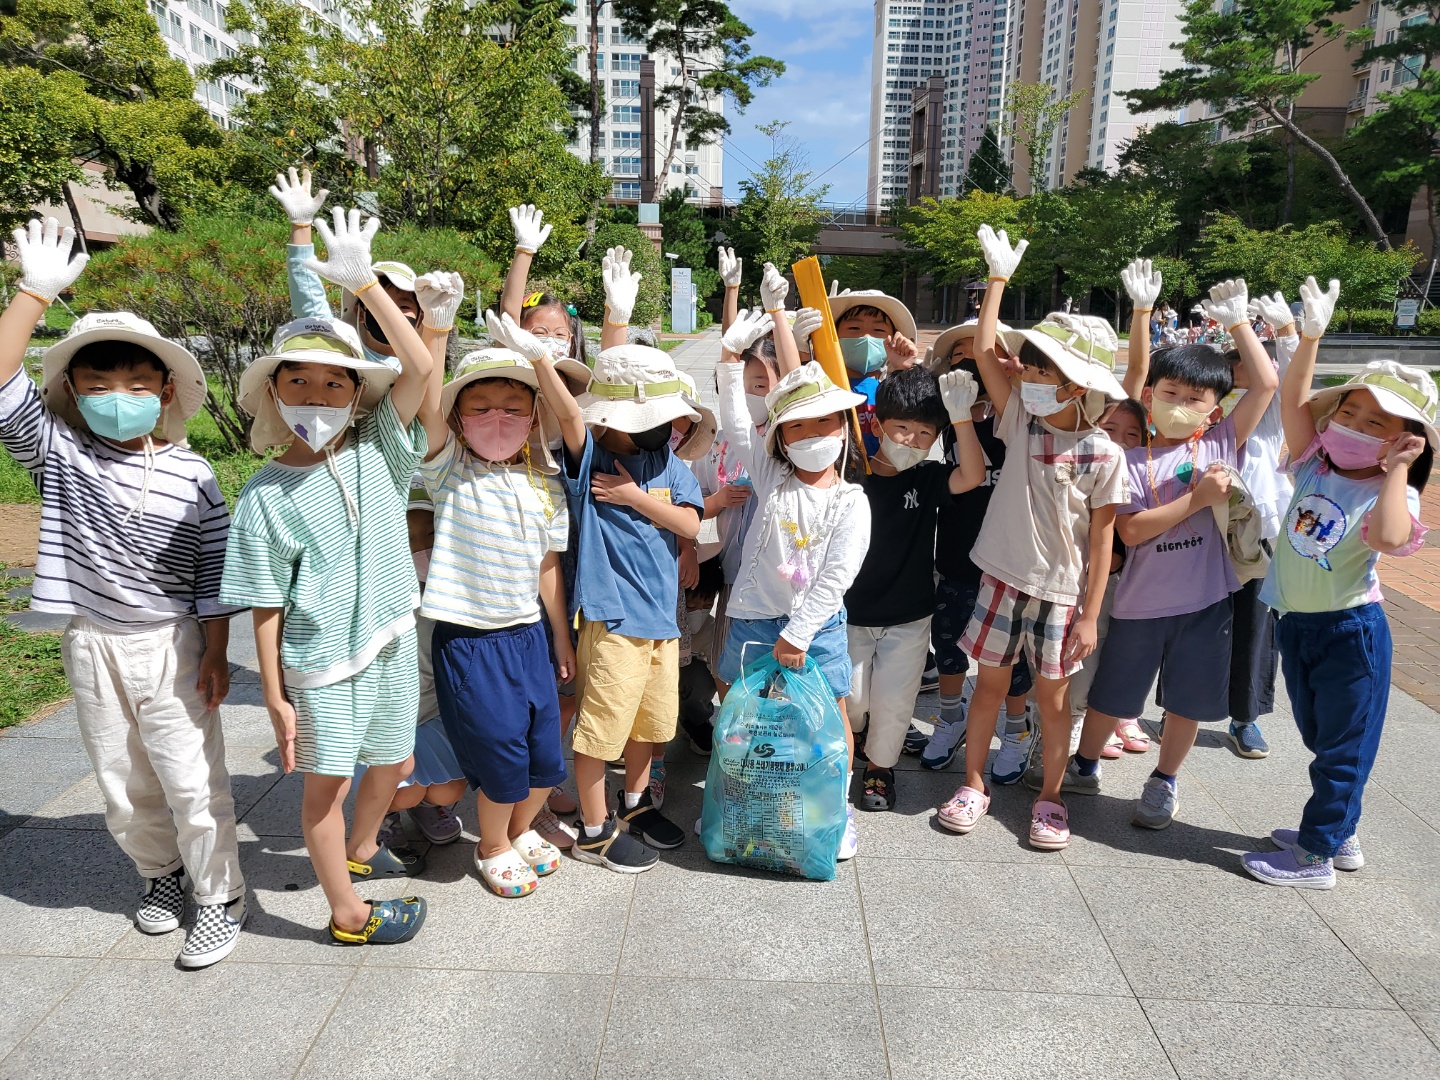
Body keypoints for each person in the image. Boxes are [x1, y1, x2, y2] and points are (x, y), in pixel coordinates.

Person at [0, 219, 245, 968]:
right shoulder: (60, 451)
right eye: (99, 384)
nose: (119, 397)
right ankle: (160, 874)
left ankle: (220, 896)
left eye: (137, 384)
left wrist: (217, 652)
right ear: (71, 391)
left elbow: (213, 572)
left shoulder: (194, 471)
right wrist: (32, 293)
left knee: (191, 779)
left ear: (165, 389)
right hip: (92, 642)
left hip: (172, 645)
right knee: (122, 780)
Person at [220, 208, 435, 945]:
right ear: (274, 391)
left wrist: (366, 283)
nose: (316, 395)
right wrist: (274, 695)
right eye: (299, 382)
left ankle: (363, 847)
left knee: (397, 759)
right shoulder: (264, 494)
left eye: (335, 383)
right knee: (327, 789)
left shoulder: (381, 448)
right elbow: (264, 603)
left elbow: (421, 368)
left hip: (391, 636)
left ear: (356, 392)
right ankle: (347, 915)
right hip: (321, 664)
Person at [936, 225, 1129, 852]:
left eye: (1047, 369)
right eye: (1034, 365)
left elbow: (1102, 543)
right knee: (988, 687)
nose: (1032, 375)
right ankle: (973, 783)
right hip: (1000, 576)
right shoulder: (1022, 418)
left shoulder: (1103, 452)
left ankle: (1050, 798)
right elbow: (985, 349)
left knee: (1053, 700)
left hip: (1061, 594)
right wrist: (996, 281)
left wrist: (1091, 614)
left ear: (1078, 384)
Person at [1243, 278, 1432, 889]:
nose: (1353, 424)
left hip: (1352, 632)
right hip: (1296, 623)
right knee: (1323, 737)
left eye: (1375, 422)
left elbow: (1389, 539)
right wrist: (1308, 337)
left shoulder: (1388, 490)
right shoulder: (1313, 462)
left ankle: (1316, 855)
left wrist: (1399, 469)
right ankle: (1339, 829)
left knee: (1344, 747)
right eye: (1348, 412)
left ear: (1402, 439)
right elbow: (1294, 399)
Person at [1071, 275, 1279, 832]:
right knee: (1113, 696)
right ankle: (1084, 764)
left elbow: (1265, 383)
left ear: (1214, 409)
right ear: (1149, 396)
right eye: (1170, 394)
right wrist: (1198, 498)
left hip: (1207, 604)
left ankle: (1164, 780)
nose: (1181, 406)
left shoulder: (1220, 441)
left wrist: (1239, 322)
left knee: (1187, 703)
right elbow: (1132, 531)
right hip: (1139, 604)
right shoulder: (1127, 459)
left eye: (1195, 399)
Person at [516, 271, 703, 871]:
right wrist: (542, 358)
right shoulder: (592, 456)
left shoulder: (667, 461)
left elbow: (691, 523)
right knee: (599, 730)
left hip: (662, 620)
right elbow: (574, 414)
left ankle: (635, 804)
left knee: (649, 726)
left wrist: (633, 498)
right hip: (613, 618)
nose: (657, 427)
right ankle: (595, 829)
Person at [714, 264, 872, 858]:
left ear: (843, 427)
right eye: (797, 426)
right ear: (779, 437)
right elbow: (736, 424)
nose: (812, 434)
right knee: (745, 713)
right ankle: (753, 799)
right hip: (754, 618)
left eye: (824, 422)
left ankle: (835, 806)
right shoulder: (770, 476)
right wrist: (730, 363)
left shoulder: (851, 500)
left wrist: (800, 633)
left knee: (829, 718)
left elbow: (836, 576)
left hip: (816, 628)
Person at [415, 334, 574, 897]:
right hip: (469, 641)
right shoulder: (448, 470)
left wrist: (561, 638)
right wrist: (437, 329)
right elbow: (426, 405)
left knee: (544, 753)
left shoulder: (545, 483)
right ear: (459, 419)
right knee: (501, 751)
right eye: (480, 407)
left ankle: (519, 828)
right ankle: (491, 845)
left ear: (533, 417)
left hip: (528, 636)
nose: (497, 419)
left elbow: (548, 567)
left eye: (512, 407)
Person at [846, 366, 985, 811]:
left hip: (910, 615)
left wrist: (960, 418)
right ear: (876, 425)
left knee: (894, 701)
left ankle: (879, 770)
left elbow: (973, 475)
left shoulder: (927, 478)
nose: (911, 440)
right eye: (902, 428)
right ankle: (854, 739)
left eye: (925, 432)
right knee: (852, 702)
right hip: (850, 614)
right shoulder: (851, 477)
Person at [922, 324, 1037, 777]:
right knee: (948, 641)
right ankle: (951, 718)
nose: (969, 362)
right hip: (957, 549)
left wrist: (1018, 377)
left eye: (981, 354)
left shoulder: (1022, 411)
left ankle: (1017, 728)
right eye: (958, 356)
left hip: (1010, 558)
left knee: (1011, 656)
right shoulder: (948, 408)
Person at [1219, 290, 1300, 760]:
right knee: (1194, 623)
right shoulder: (1206, 409)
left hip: (1258, 536)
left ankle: (1244, 717)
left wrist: (1288, 332)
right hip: (1204, 532)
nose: (1247, 377)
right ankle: (1180, 706)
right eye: (1238, 368)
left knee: (1254, 627)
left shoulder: (1270, 420)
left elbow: (1290, 381)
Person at [367, 480, 469, 851]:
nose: (421, 546)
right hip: (385, 720)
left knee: (449, 789)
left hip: (431, 713)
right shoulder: (376, 594)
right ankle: (382, 812)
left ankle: (425, 805)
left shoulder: (452, 591)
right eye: (407, 536)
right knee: (404, 790)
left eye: (431, 534)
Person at [270, 167, 423, 372]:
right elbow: (309, 299)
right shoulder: (341, 349)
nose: (391, 313)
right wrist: (301, 225)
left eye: (403, 306)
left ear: (421, 317)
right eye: (378, 304)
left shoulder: (421, 366)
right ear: (360, 312)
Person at [829, 288, 920, 454]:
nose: (866, 337)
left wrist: (904, 371)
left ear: (894, 338)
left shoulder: (893, 389)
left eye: (878, 330)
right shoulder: (826, 384)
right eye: (854, 328)